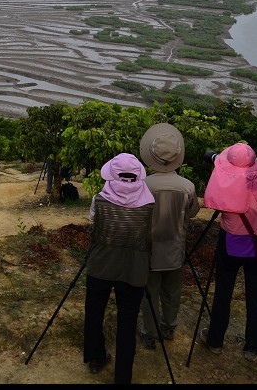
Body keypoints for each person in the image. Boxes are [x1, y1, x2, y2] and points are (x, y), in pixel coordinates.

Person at [199, 143, 257, 362]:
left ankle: (215, 341)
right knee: (256, 297)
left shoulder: (226, 188)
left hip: (231, 244)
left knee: (223, 293)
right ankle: (253, 347)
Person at [83, 153, 154, 384]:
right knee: (127, 321)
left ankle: (96, 358)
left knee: (94, 313)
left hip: (100, 264)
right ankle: (123, 376)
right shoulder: (149, 203)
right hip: (133, 269)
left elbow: (93, 222)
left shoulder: (100, 199)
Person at [137, 123, 200, 350]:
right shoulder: (187, 186)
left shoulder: (143, 185)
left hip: (149, 249)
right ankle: (169, 327)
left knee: (150, 291)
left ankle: (150, 332)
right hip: (175, 247)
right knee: (172, 291)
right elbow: (192, 213)